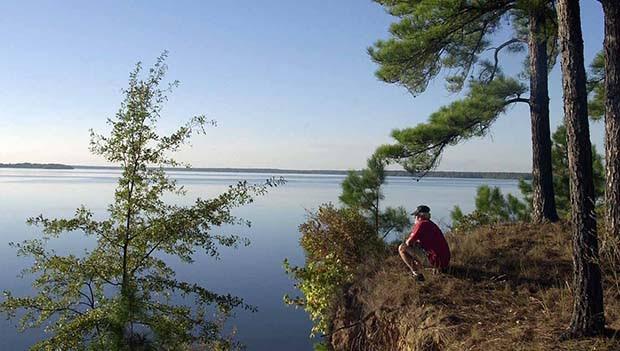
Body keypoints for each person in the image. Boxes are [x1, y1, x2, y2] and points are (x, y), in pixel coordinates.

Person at [398, 205, 450, 281]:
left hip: (435, 260)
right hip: (445, 261)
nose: (414, 218)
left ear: (420, 215)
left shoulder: (421, 224)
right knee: (417, 249)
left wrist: (416, 225)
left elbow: (408, 243)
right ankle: (437, 268)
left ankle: (416, 274)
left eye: (415, 215)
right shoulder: (431, 224)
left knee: (402, 248)